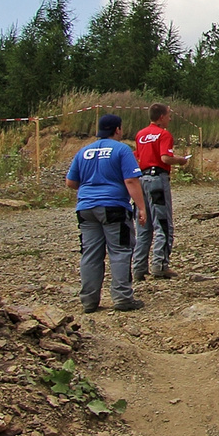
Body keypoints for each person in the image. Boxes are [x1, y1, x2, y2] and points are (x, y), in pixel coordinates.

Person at [66, 114, 147, 313]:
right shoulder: (122, 150)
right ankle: (122, 297)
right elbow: (131, 180)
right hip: (113, 208)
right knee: (120, 250)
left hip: (85, 209)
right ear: (117, 130)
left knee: (90, 254)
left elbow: (71, 183)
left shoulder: (84, 151)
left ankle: (89, 301)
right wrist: (142, 207)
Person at [133, 103, 190, 281]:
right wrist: (180, 160)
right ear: (161, 117)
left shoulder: (140, 134)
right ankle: (160, 265)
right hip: (157, 178)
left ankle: (138, 267)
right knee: (163, 224)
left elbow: (138, 156)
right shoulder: (164, 135)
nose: (170, 118)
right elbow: (165, 157)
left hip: (141, 180)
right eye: (168, 115)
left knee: (144, 225)